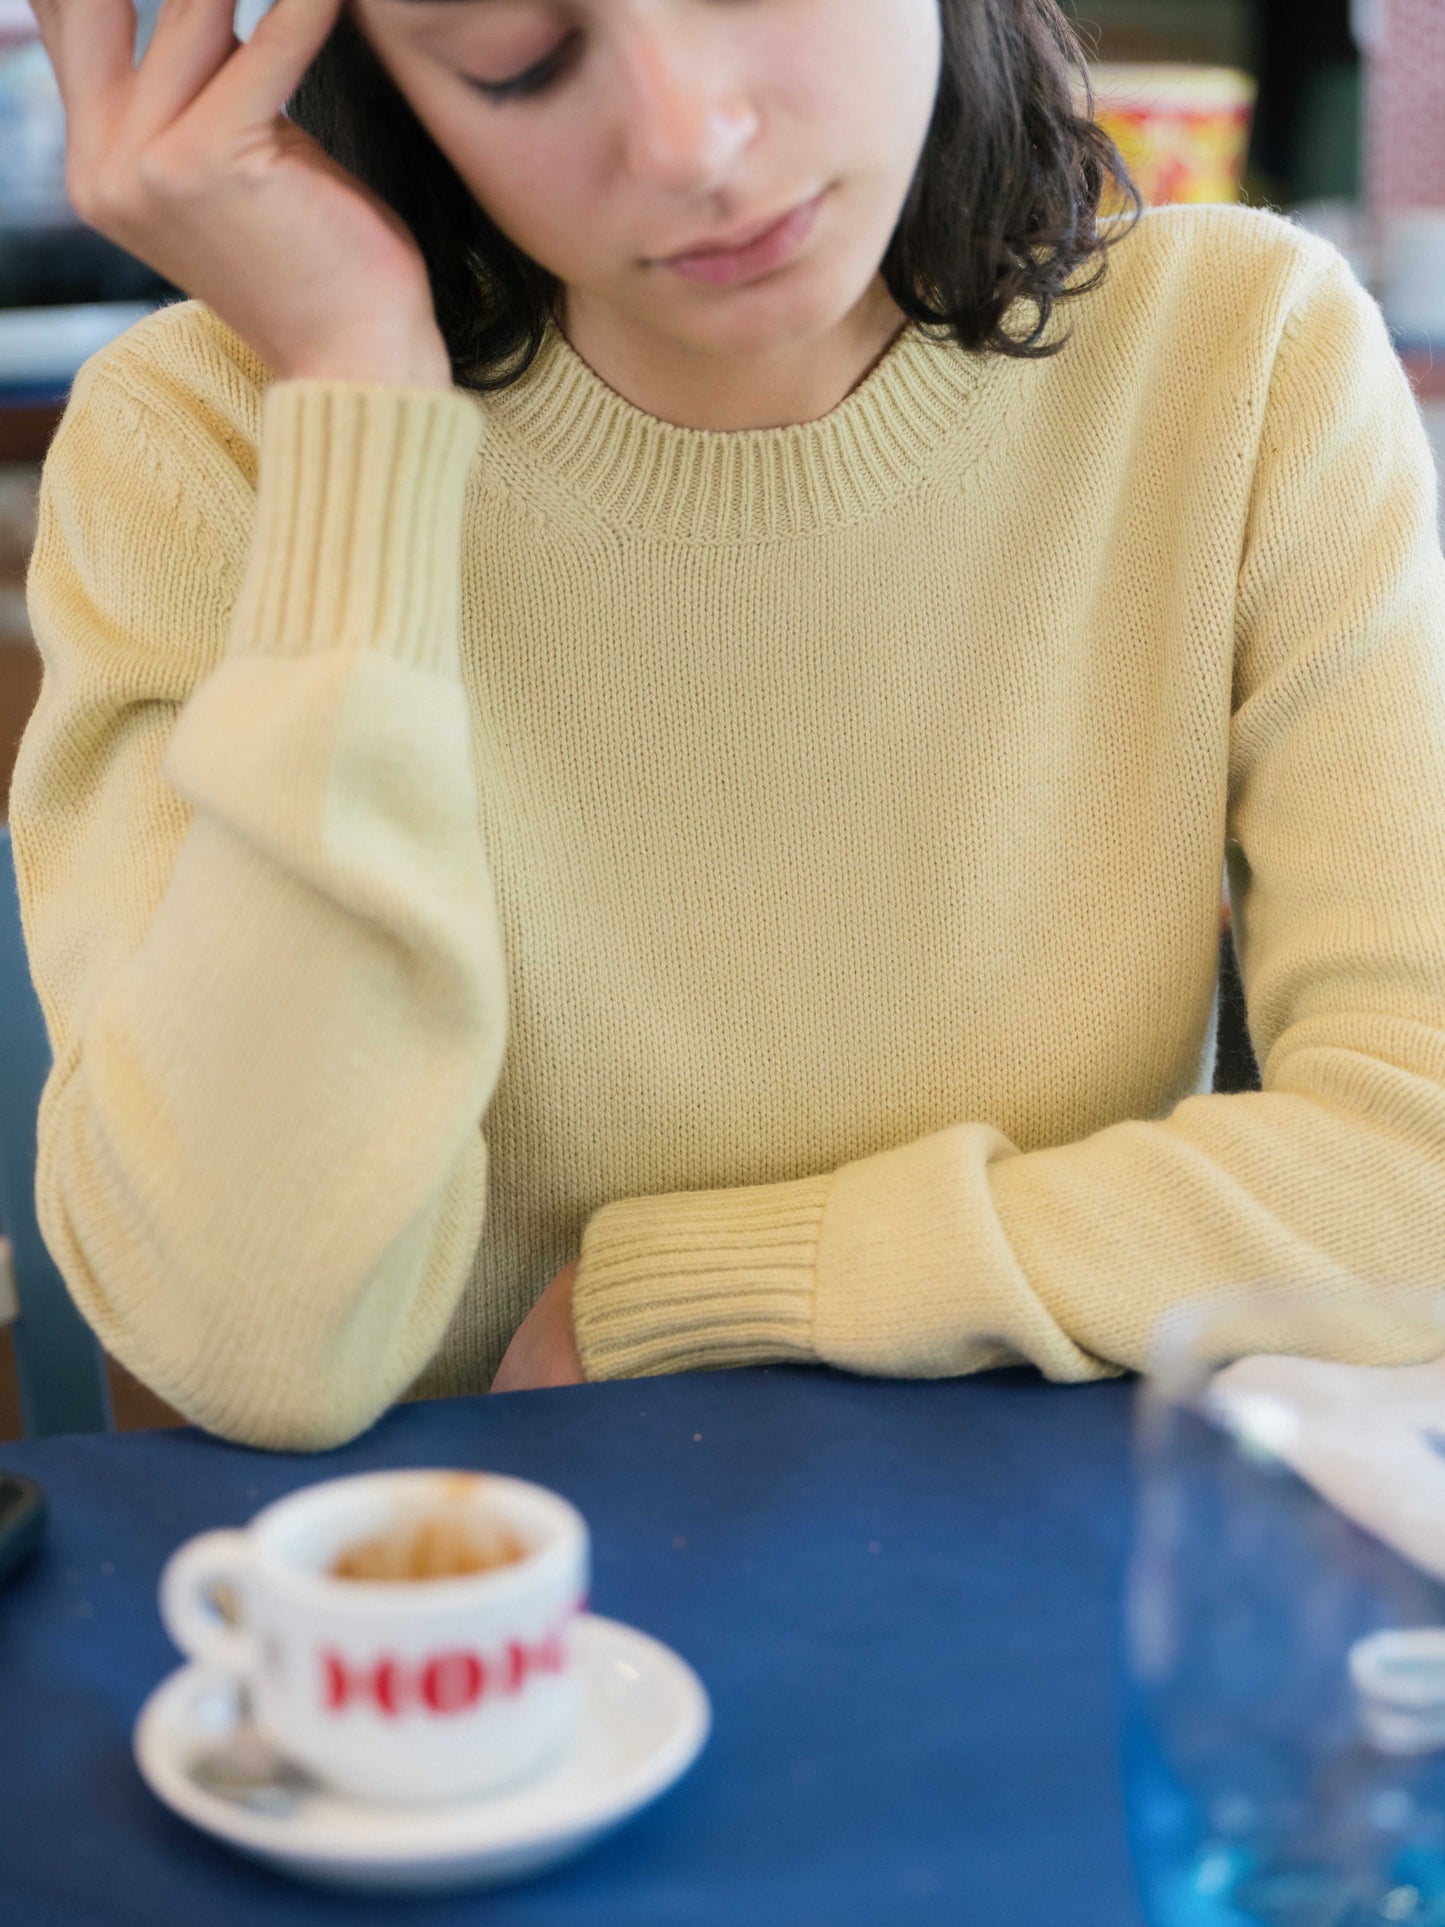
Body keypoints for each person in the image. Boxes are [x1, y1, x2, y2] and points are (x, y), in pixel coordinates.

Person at [11, 0, 1445, 1452]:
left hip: (1051, 1583)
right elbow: (251, 1342)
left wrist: (717, 1291)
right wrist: (357, 404)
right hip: (482, 1627)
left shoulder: (1242, 356)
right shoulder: (213, 441)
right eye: (514, 52)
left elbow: (1420, 1163)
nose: (690, 141)